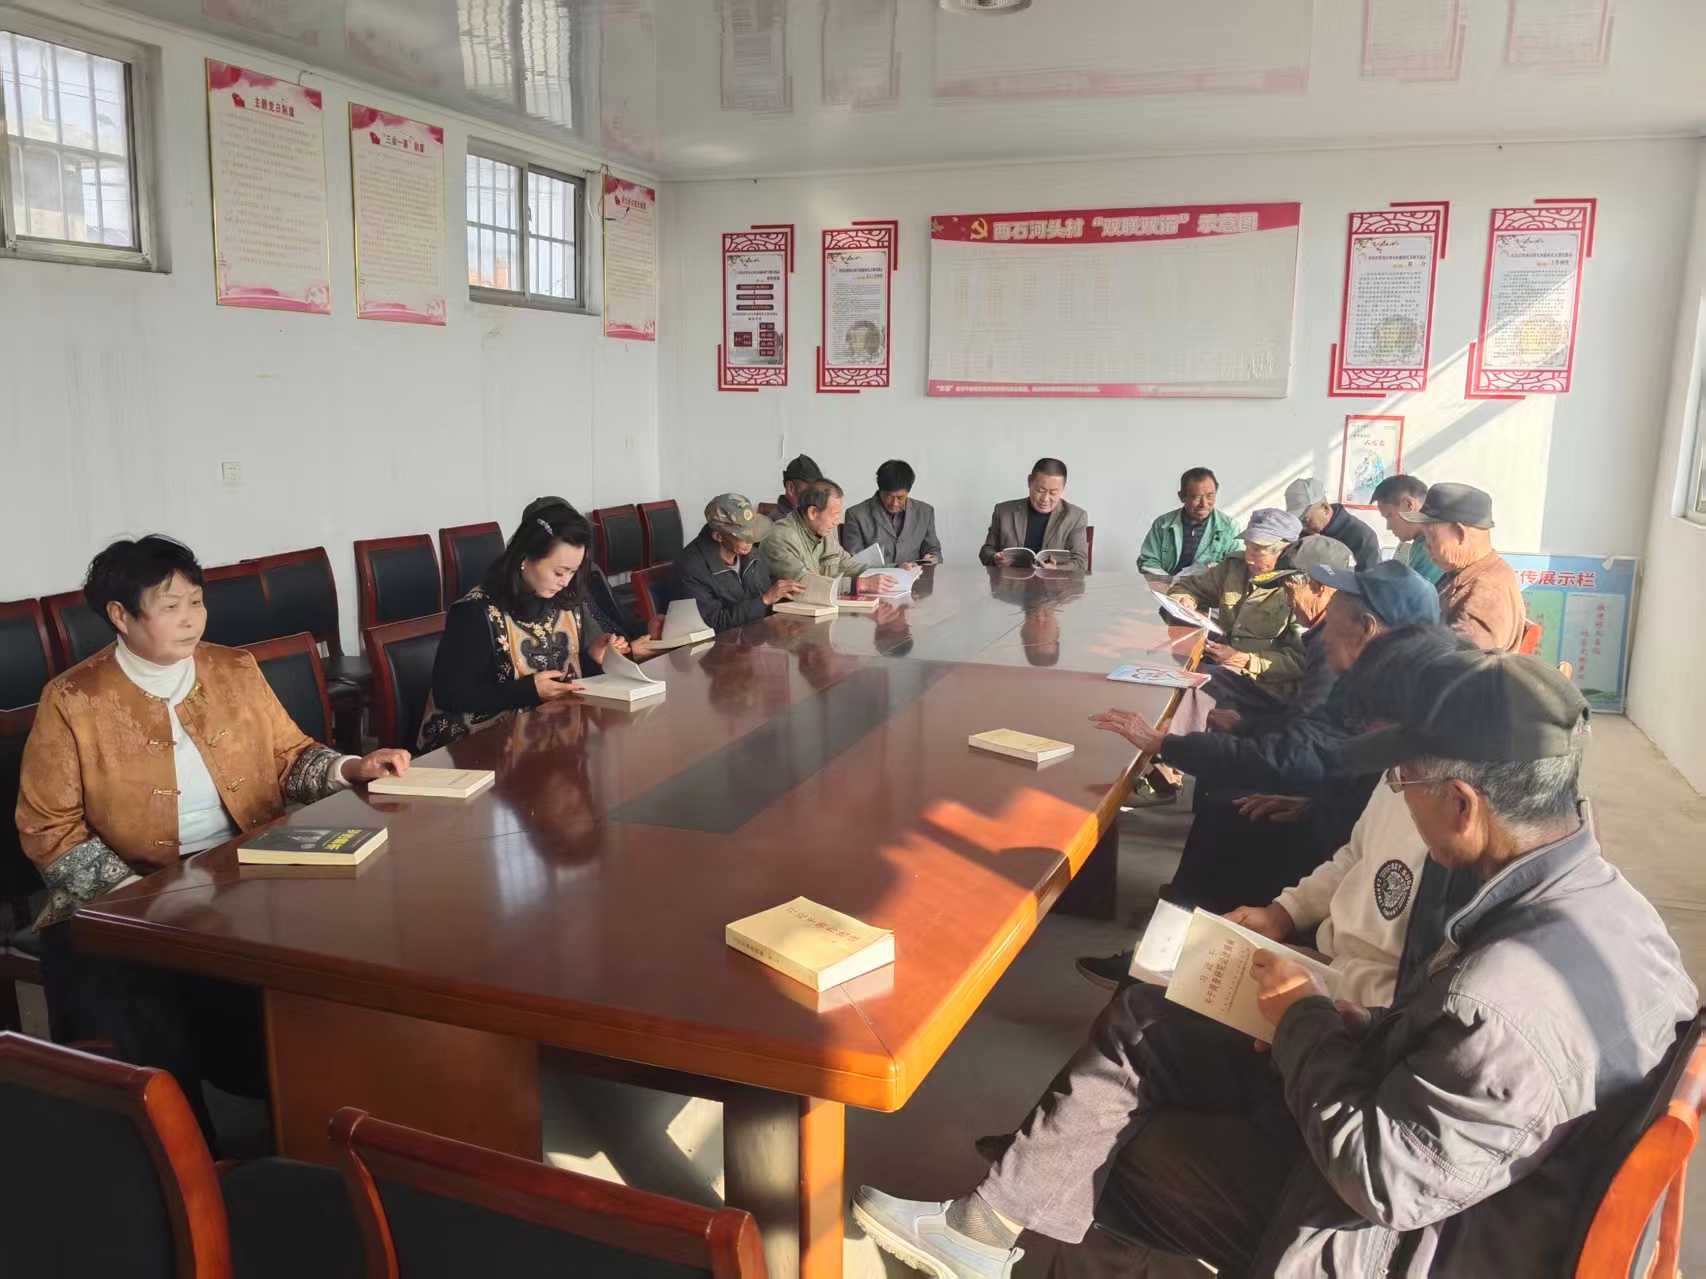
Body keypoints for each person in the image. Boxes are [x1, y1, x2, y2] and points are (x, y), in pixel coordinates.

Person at [853, 649, 1696, 1279]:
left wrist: (1303, 1020)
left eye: (1407, 777)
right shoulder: (1614, 912)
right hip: (1448, 1162)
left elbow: (1384, 1179)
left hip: (1406, 1238)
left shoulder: (1503, 995)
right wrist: (1349, 1023)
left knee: (1120, 1145)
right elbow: (1469, 1083)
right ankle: (986, 1228)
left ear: (1462, 802)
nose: (1398, 793)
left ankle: (1014, 1216)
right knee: (1153, 1017)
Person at [16, 535, 410, 1144]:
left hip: (243, 870)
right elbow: (50, 829)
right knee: (142, 1009)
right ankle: (185, 1160)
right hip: (117, 899)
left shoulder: (233, 669)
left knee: (336, 956)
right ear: (120, 615)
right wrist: (142, 899)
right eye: (171, 606)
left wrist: (353, 767)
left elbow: (289, 757)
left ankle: (317, 1131)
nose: (191, 619)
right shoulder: (74, 699)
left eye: (196, 602)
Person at [1101, 572, 1447, 913]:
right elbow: (1326, 749)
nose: (1321, 637)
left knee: (1236, 821)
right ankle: (1175, 923)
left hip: (1357, 848)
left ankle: (1188, 931)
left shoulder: (1398, 692)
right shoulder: (1380, 676)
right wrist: (1312, 800)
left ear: (1367, 628)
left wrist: (1164, 744)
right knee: (1233, 809)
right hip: (1339, 809)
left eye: (1332, 624)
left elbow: (1297, 755)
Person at [420, 499, 637, 750]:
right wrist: (528, 691)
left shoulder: (564, 602)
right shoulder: (477, 613)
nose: (566, 582)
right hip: (478, 746)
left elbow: (564, 677)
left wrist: (592, 659)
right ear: (525, 558)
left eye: (573, 572)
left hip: (545, 735)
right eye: (558, 572)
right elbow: (450, 694)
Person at [1199, 533, 1353, 720]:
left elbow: (1308, 724)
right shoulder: (1324, 628)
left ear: (1319, 588)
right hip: (1279, 705)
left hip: (1281, 701)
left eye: (1290, 591)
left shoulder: (1335, 642)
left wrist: (1242, 728)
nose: (1288, 602)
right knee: (1203, 675)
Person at [1165, 508, 1305, 698]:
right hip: (1219, 662)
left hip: (1263, 682)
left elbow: (1300, 661)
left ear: (1284, 553)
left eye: (1257, 552)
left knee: (1192, 685)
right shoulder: (1235, 567)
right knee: (1171, 669)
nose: (1248, 558)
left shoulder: (1299, 589)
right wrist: (1185, 600)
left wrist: (1244, 660)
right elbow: (1188, 587)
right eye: (1247, 548)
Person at [1404, 481, 1527, 651]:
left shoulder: (1484, 597)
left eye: (1430, 536)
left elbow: (1459, 664)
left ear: (1460, 534)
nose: (1426, 546)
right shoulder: (1469, 572)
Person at [674, 493, 804, 633]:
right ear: (718, 536)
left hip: (758, 635)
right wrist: (764, 600)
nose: (751, 540)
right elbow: (714, 623)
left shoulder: (751, 554)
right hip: (722, 642)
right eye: (743, 536)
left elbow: (766, 592)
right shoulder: (692, 567)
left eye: (752, 531)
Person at [760, 478, 897, 594]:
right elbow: (804, 585)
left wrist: (892, 571)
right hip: (785, 614)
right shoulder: (780, 539)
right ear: (813, 512)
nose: (837, 521)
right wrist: (860, 584)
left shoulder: (822, 532)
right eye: (834, 515)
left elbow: (848, 565)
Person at [978, 459, 1089, 571]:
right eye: (1040, 490)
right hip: (1011, 580)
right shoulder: (1003, 511)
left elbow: (1081, 562)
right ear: (1029, 481)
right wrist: (994, 558)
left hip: (1053, 582)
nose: (1045, 499)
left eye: (1053, 493)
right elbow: (986, 551)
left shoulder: (1076, 517)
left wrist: (1056, 569)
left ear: (1063, 489)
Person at [1136, 467, 1241, 577]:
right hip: (1167, 584)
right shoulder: (1163, 523)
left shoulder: (1229, 527)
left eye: (1210, 496)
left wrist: (1218, 569)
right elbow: (1148, 560)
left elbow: (1237, 565)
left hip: (1209, 586)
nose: (1204, 504)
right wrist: (1164, 581)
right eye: (1196, 497)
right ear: (1182, 497)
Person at [841, 459, 942, 567]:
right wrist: (896, 567)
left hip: (915, 575)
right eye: (888, 496)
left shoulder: (925, 512)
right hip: (875, 576)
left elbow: (933, 549)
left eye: (900, 497)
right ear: (880, 490)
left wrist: (933, 558)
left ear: (908, 492)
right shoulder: (856, 515)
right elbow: (854, 563)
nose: (894, 503)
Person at [1285, 476, 1381, 571]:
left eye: (1305, 520)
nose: (1302, 527)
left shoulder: (1362, 537)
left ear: (1325, 509)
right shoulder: (1301, 534)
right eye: (1298, 521)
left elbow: (1371, 579)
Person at [1371, 473, 1443, 585]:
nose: (1388, 527)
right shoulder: (1420, 542)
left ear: (1409, 504)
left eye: (1389, 516)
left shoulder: (1434, 547)